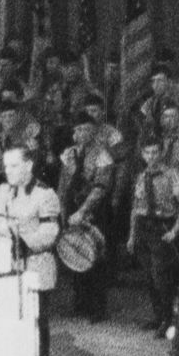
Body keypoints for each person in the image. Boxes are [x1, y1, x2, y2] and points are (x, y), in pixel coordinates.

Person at [0, 145, 60, 356]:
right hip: (8, 269)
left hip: (36, 268)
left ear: (28, 166)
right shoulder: (2, 191)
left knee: (37, 326)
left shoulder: (45, 194)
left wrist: (24, 241)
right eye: (5, 166)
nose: (8, 171)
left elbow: (51, 232)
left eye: (14, 165)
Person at [131, 133, 179, 335]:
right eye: (147, 152)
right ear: (142, 154)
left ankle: (169, 320)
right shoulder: (142, 176)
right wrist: (132, 236)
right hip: (144, 227)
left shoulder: (172, 174)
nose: (152, 156)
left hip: (163, 227)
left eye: (155, 152)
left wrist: (176, 230)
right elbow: (135, 207)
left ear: (162, 152)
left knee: (162, 277)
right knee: (149, 277)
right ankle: (158, 316)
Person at [58, 103, 117, 321]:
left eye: (83, 129)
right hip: (73, 209)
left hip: (94, 211)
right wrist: (62, 210)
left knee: (95, 257)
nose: (79, 133)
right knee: (74, 252)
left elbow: (100, 188)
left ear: (92, 130)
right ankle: (80, 302)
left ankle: (97, 308)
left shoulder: (102, 155)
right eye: (76, 130)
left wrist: (83, 211)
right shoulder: (69, 154)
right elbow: (63, 184)